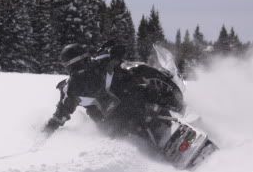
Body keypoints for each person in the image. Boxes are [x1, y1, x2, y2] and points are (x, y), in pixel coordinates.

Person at [43, 43, 185, 150]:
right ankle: (178, 105)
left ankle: (161, 137)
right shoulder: (98, 65)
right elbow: (118, 57)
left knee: (134, 83)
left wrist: (46, 132)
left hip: (112, 127)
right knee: (140, 76)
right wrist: (115, 51)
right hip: (132, 107)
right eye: (86, 57)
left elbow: (60, 115)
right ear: (83, 58)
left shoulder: (69, 88)